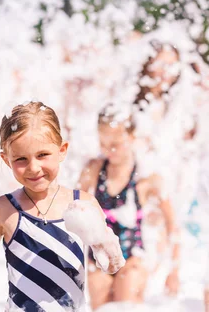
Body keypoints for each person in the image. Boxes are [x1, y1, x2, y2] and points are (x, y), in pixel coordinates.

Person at [0, 101, 125, 312]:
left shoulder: (82, 205)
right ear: (6, 160)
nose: (33, 167)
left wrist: (108, 250)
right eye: (21, 159)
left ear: (62, 150)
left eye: (43, 155)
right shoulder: (4, 210)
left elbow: (111, 264)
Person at [77, 104, 180, 310]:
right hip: (98, 259)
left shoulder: (146, 178)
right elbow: (73, 208)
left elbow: (172, 224)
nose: (108, 150)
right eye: (103, 144)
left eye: (115, 144)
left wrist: (174, 271)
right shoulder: (94, 170)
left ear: (132, 137)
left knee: (127, 302)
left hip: (132, 259)